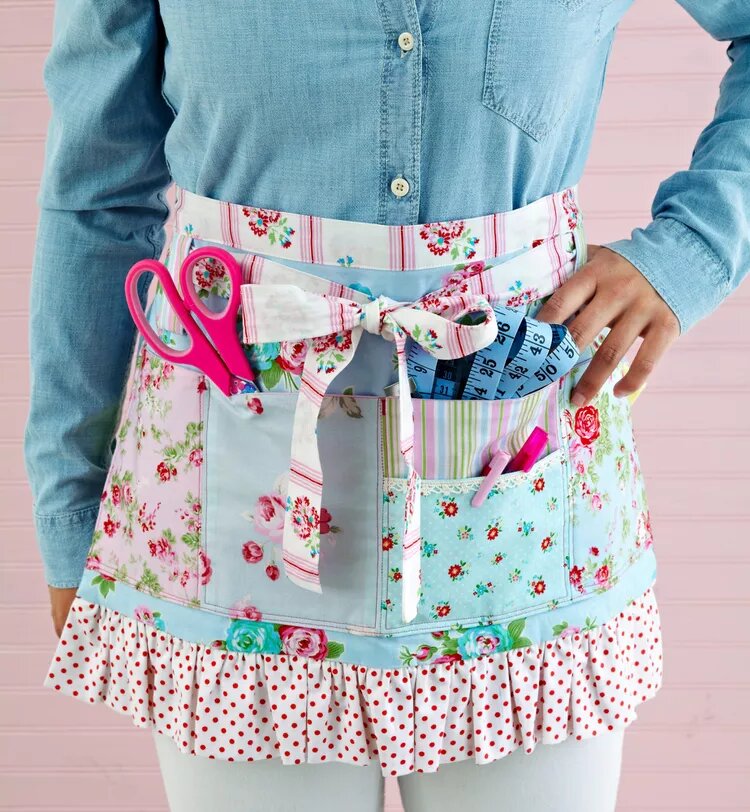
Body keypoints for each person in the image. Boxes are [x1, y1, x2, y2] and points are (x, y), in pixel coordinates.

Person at [24, 1, 749, 811]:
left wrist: (693, 248)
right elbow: (96, 199)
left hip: (521, 482)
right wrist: (70, 511)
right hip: (230, 481)